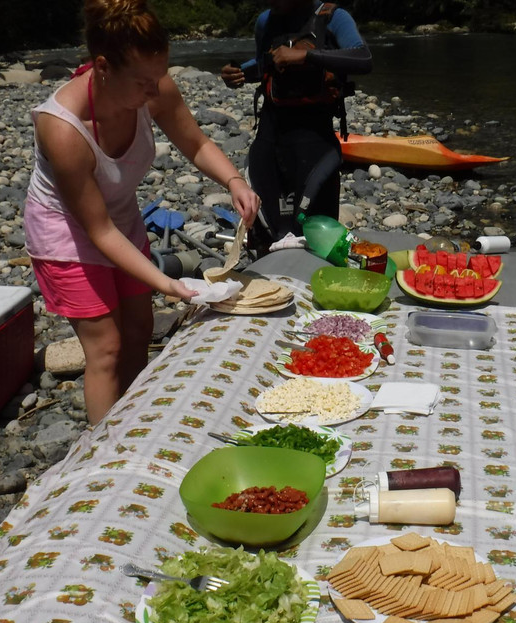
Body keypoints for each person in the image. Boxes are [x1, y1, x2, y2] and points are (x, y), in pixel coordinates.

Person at [25, 0, 260, 425]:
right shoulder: (61, 127)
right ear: (102, 67)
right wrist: (168, 283)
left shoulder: (152, 87)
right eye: (143, 82)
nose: (156, 91)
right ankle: (102, 449)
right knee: (106, 347)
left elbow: (196, 143)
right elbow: (98, 230)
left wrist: (234, 181)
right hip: (67, 232)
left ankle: (133, 423)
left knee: (138, 330)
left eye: (159, 77)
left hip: (120, 217)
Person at [220, 0, 371, 245]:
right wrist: (239, 74)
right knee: (268, 231)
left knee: (316, 237)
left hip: (314, 141)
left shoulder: (331, 17)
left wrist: (306, 55)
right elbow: (264, 64)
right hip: (270, 139)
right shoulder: (265, 21)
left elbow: (364, 58)